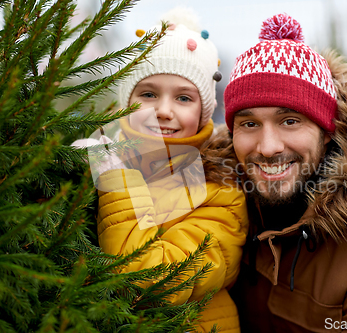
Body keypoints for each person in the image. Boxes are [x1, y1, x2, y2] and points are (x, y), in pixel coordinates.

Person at [216, 13, 347, 332]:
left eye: (290, 121)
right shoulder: (218, 192)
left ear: (328, 130)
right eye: (249, 124)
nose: (268, 147)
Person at [94, 8, 248, 333]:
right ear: (127, 102)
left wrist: (116, 182)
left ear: (204, 112)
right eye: (148, 94)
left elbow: (154, 283)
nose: (163, 110)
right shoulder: (95, 159)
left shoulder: (220, 191)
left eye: (183, 98)